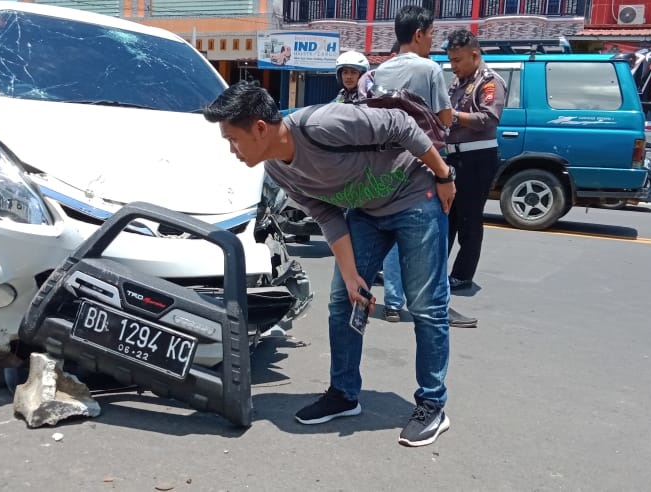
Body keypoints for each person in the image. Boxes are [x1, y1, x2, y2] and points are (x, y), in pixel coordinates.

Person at [203, 81, 457, 447]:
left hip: (415, 195)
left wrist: (443, 174)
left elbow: (401, 124)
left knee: (425, 304)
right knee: (344, 301)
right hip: (367, 212)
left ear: (259, 127)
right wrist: (353, 276)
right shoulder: (277, 170)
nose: (232, 150)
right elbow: (326, 214)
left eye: (233, 139)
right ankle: (344, 393)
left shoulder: (321, 124)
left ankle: (432, 403)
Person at [367, 5, 453, 324]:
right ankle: (429, 311)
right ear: (419, 34)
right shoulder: (429, 69)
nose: (432, 41)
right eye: (431, 35)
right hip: (425, 171)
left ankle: (393, 301)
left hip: (389, 170)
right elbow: (444, 119)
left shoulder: (381, 71)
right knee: (430, 249)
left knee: (392, 236)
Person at [443, 28, 507, 293]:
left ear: (474, 54)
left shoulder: (489, 81)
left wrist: (453, 116)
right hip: (455, 157)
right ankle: (435, 270)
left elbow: (488, 119)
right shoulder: (457, 83)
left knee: (469, 218)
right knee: (448, 217)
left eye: (457, 60)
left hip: (478, 158)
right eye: (451, 60)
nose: (453, 66)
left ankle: (462, 275)